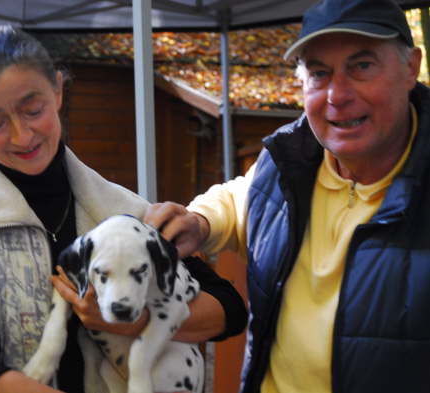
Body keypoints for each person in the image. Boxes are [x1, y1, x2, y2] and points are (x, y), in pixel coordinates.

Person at [0, 25, 247, 393]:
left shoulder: (120, 210)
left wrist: (132, 320)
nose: (21, 135)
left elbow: (229, 310)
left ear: (58, 91)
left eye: (33, 110)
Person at [144, 0, 430, 392]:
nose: (338, 94)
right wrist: (200, 221)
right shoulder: (286, 164)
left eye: (361, 66)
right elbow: (240, 196)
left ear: (410, 67)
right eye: (319, 73)